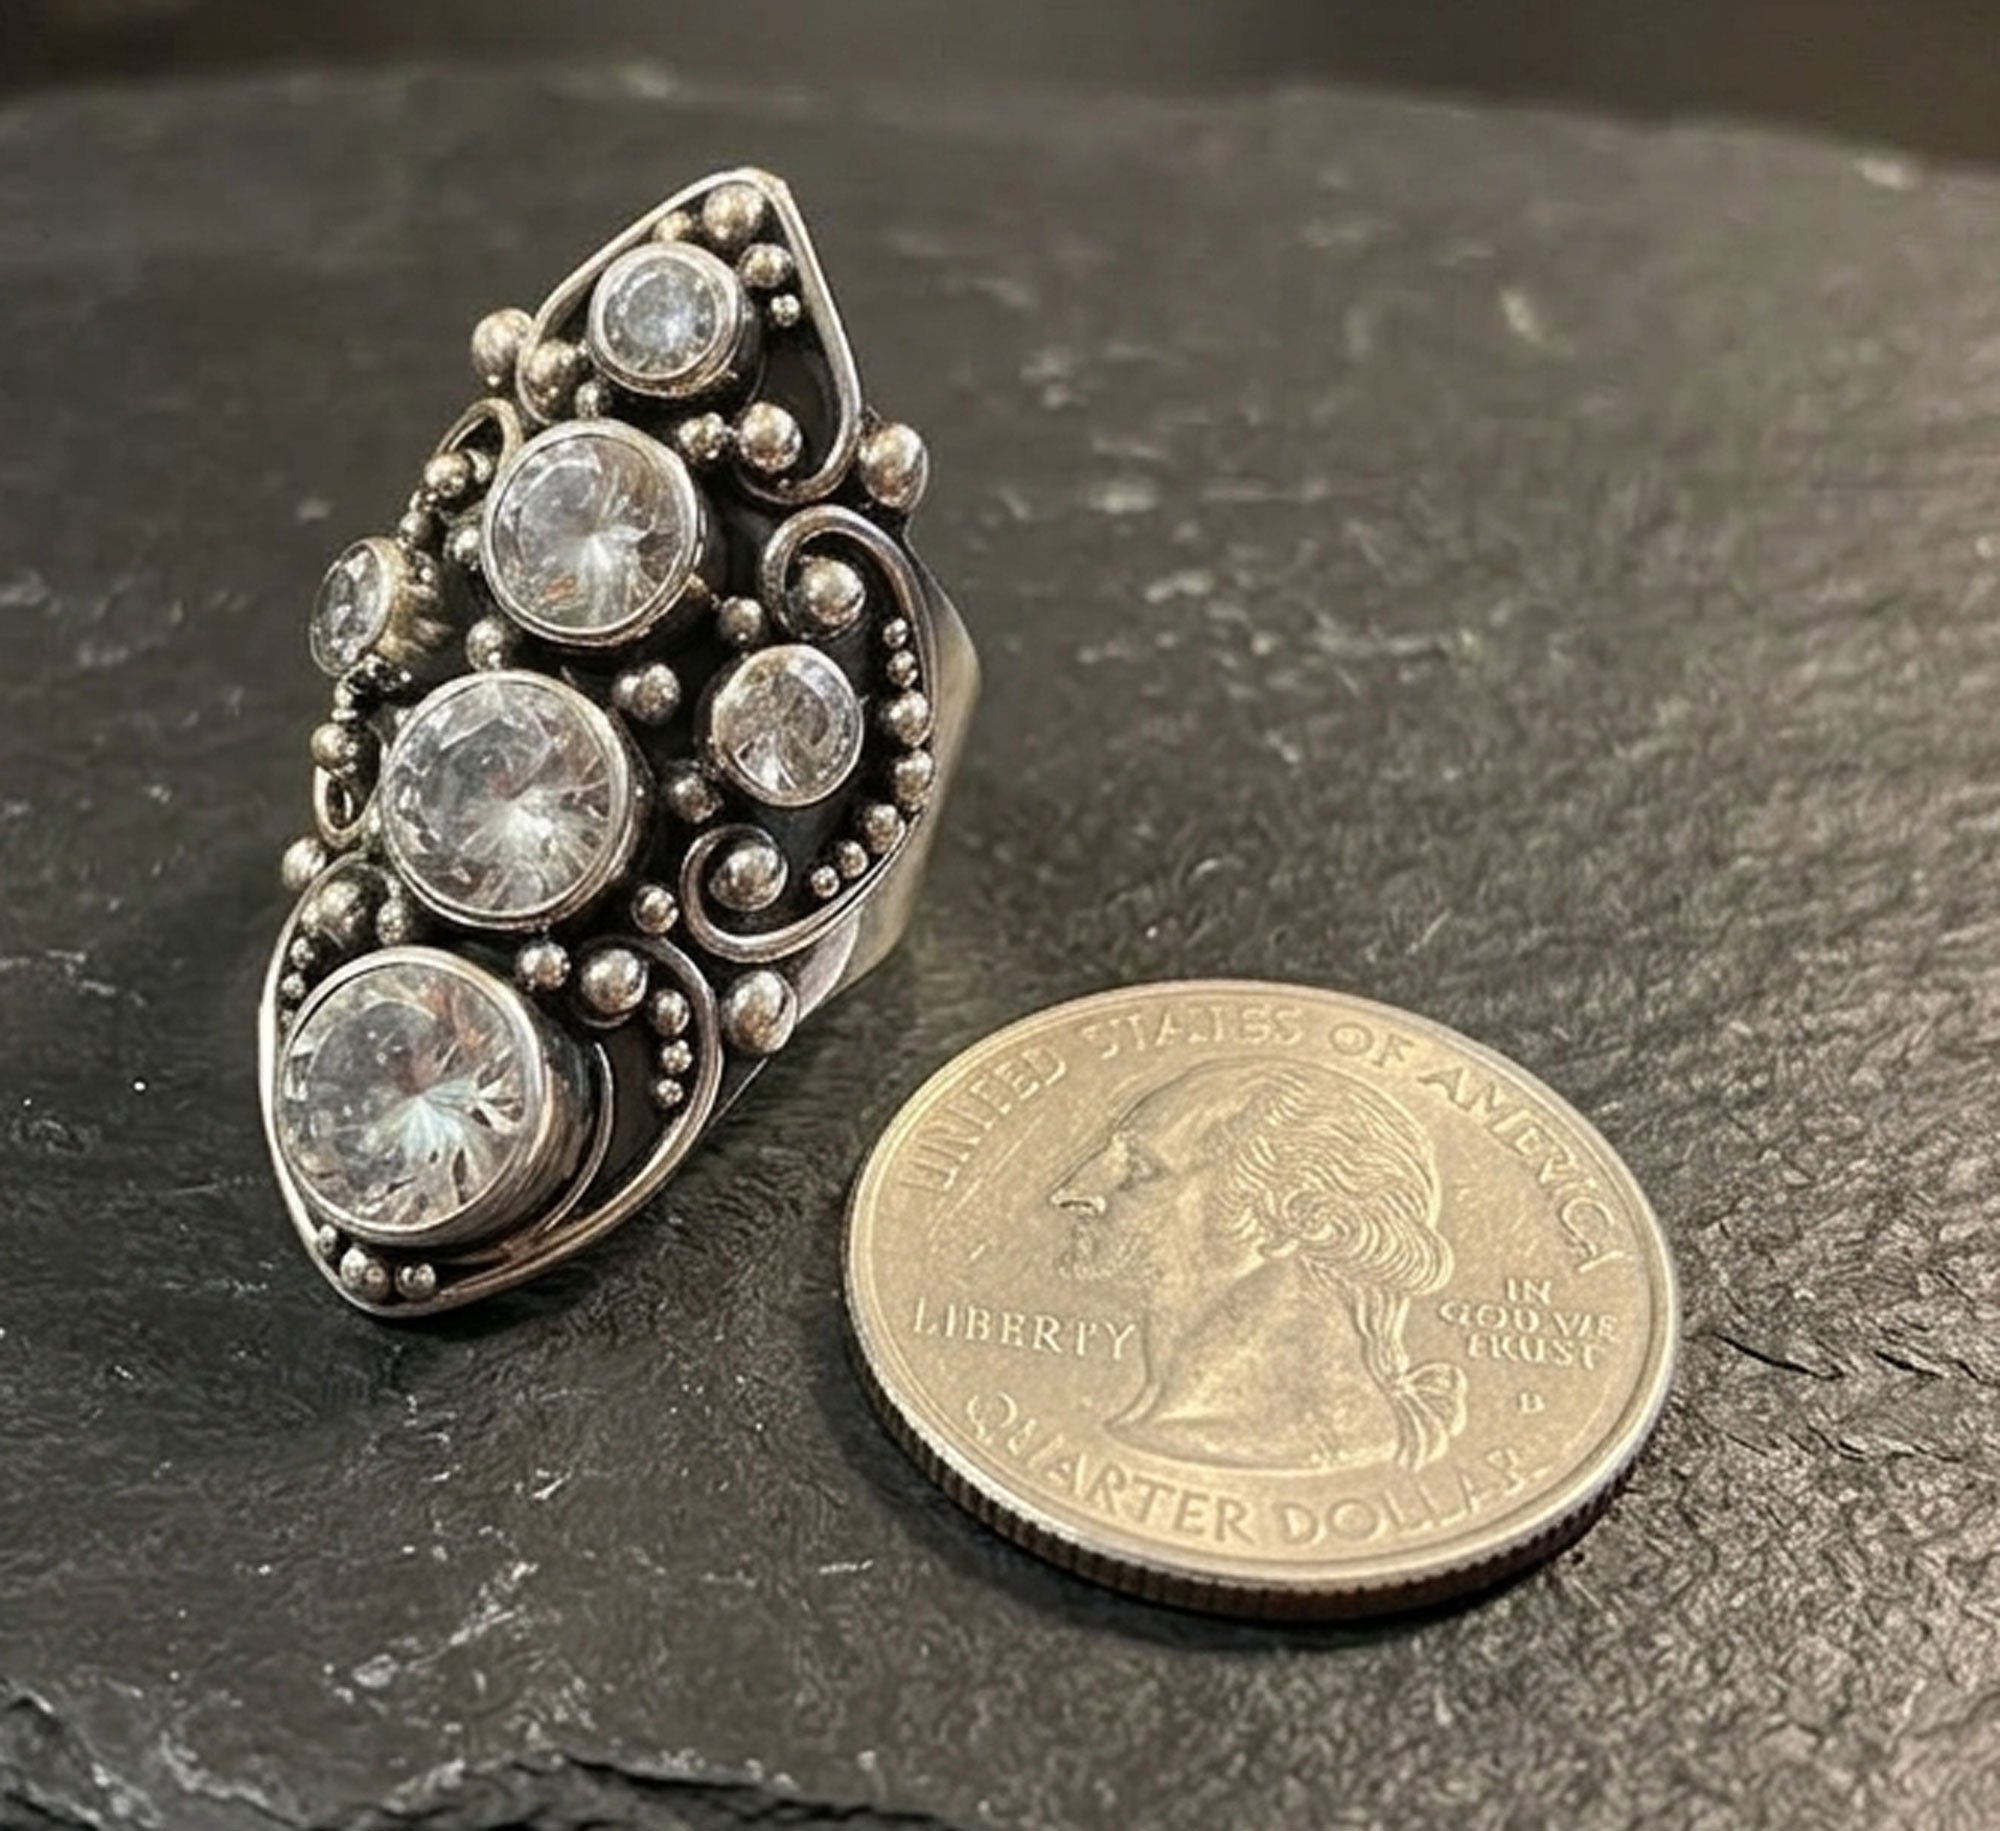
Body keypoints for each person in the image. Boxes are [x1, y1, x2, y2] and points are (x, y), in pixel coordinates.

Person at [1050, 1059, 1465, 1472]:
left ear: (1293, 1218)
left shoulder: (1273, 1442)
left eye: (1140, 1169)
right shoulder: (1156, 1421)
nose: (1071, 1192)